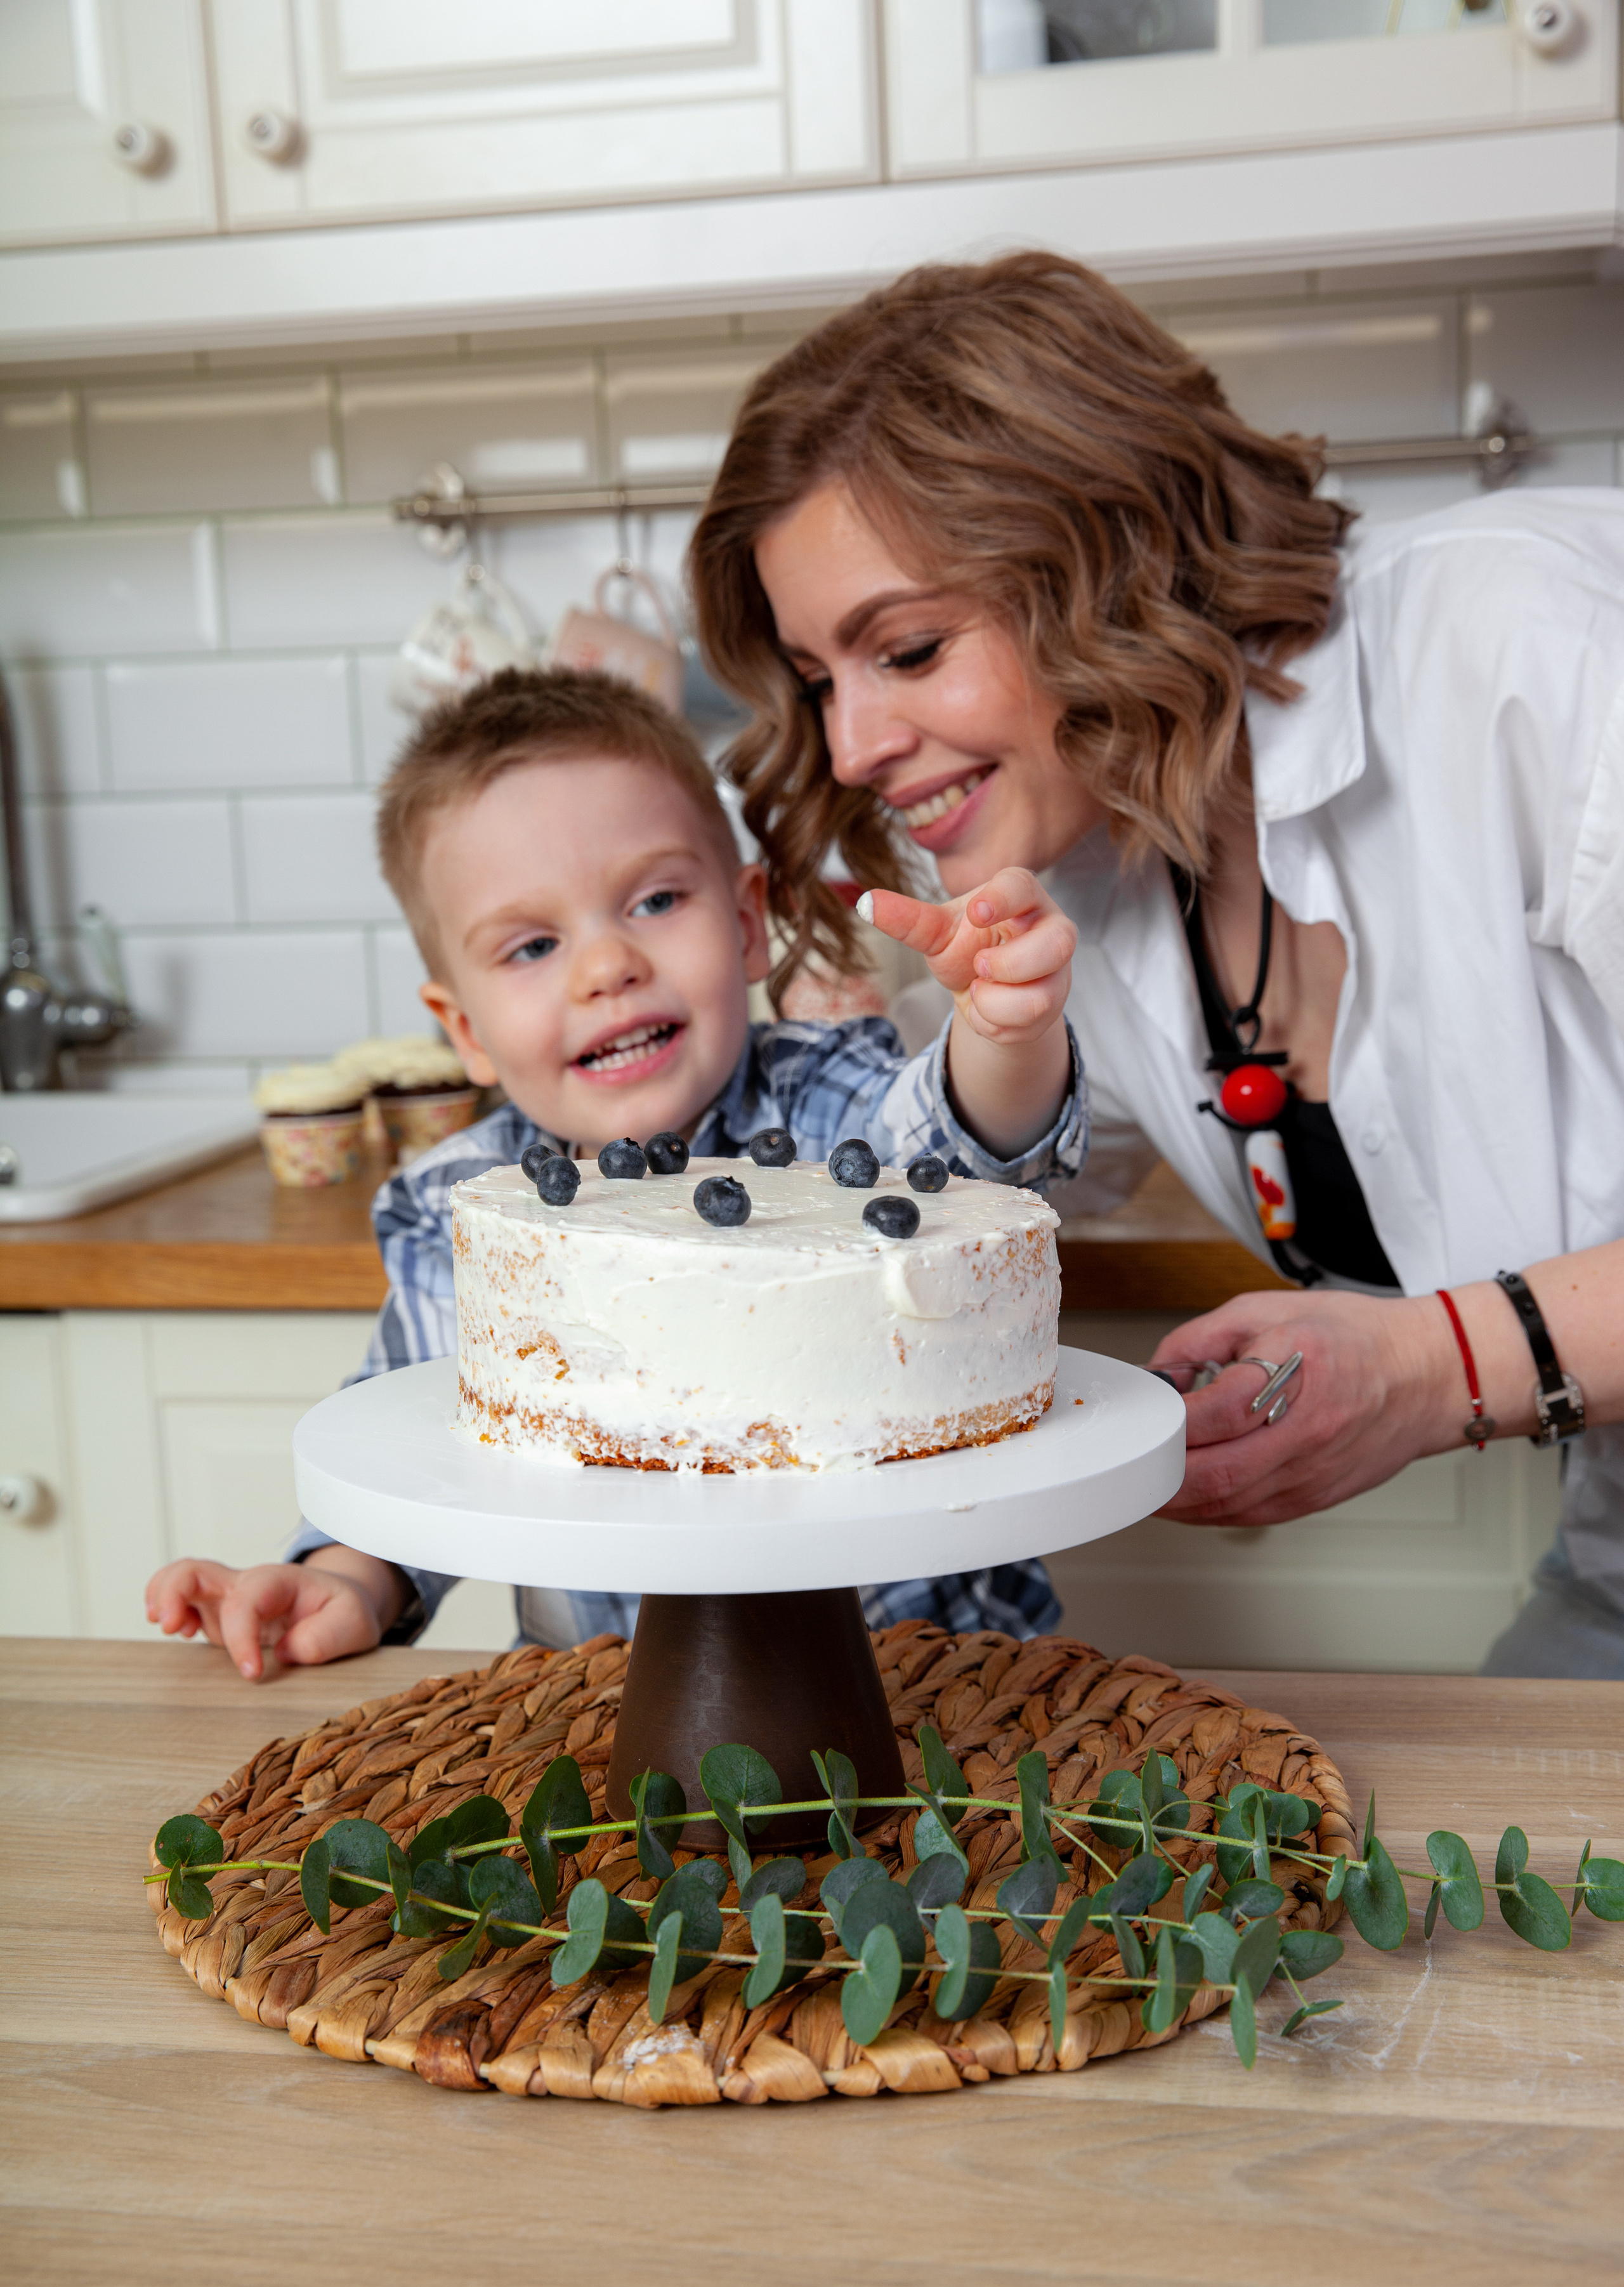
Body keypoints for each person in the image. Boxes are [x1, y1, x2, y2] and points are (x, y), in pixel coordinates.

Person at [687, 250, 1624, 1678]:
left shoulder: (1526, 647)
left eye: (911, 648)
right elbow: (969, 1205)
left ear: (1108, 559)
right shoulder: (1106, 861)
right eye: (821, 679)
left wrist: (1434, 1367)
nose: (851, 748)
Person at [145, 665, 1084, 1678]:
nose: (607, 967)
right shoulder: (457, 1210)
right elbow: (421, 1455)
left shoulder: (823, 1099)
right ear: (463, 1028)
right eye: (534, 944)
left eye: (655, 899)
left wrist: (1000, 1036)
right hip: (599, 1702)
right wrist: (343, 1579)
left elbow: (962, 1162)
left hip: (935, 1669)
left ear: (743, 919)